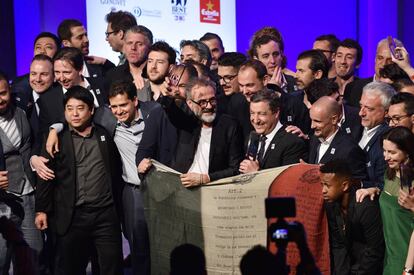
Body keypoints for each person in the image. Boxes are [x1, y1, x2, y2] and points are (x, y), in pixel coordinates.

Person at [35, 86, 124, 275]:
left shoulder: (104, 135)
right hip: (72, 215)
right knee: (70, 268)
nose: (74, 114)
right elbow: (45, 176)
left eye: (80, 108)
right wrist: (42, 210)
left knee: (112, 267)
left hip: (105, 215)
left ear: (91, 110)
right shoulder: (56, 139)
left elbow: (116, 171)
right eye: (69, 108)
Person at [158, 77, 243, 185]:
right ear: (190, 103)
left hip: (212, 189)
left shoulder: (229, 126)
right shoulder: (186, 121)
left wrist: (206, 178)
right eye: (202, 102)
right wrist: (167, 95)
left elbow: (235, 169)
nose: (209, 106)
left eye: (212, 100)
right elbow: (171, 110)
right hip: (181, 188)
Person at [0, 72, 43, 274]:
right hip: (3, 202)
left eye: (2, 93)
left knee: (32, 256)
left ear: (10, 90)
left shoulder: (21, 110)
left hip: (29, 192)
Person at [320, 159, 385, 275]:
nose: (323, 191)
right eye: (322, 185)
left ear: (344, 185)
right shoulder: (330, 204)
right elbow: (338, 245)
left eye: (327, 185)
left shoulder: (366, 207)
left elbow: (374, 251)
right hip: (350, 266)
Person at [239, 91, 307, 173]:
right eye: (252, 113)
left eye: (262, 114)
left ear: (276, 113)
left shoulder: (292, 143)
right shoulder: (252, 137)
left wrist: (256, 172)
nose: (256, 120)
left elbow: (287, 181)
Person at [379, 126, 414, 275]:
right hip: (391, 256)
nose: (386, 157)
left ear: (407, 151)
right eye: (384, 150)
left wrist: (408, 269)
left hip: (407, 259)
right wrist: (373, 190)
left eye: (392, 152)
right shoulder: (390, 174)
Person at [308, 96, 366, 180]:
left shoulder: (349, 149)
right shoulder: (314, 140)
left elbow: (358, 182)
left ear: (334, 119)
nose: (312, 126)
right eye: (311, 120)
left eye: (317, 121)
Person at [358, 82, 394, 189]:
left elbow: (383, 184)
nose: (361, 113)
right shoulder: (354, 127)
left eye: (369, 109)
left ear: (386, 112)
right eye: (361, 106)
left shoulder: (388, 141)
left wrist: (356, 184)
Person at [105, 25, 153, 101]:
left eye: (139, 44)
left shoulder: (157, 74)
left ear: (150, 47)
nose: (133, 48)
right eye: (129, 43)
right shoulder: (112, 75)